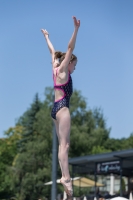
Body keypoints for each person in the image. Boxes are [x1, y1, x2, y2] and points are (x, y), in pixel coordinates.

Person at [41, 16, 80, 197]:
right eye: (74, 64)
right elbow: (70, 48)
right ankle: (66, 177)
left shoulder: (55, 69)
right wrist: (76, 29)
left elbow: (52, 51)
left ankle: (65, 176)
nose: (74, 68)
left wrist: (47, 38)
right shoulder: (63, 69)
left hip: (54, 109)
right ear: (69, 61)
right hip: (63, 108)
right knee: (65, 145)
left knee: (62, 146)